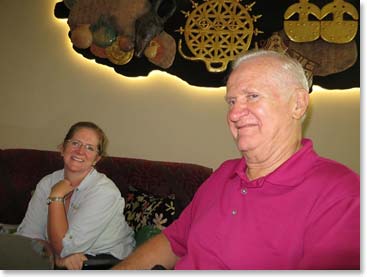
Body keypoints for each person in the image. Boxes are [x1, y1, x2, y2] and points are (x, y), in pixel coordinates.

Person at [112, 50, 360, 270]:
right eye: (231, 101)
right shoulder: (225, 173)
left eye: (252, 96)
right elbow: (173, 241)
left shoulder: (342, 194)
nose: (234, 113)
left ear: (297, 104)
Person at [17, 121, 135, 269]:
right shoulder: (47, 183)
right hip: (62, 258)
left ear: (96, 159)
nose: (80, 151)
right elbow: (28, 238)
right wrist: (56, 259)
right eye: (75, 143)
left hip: (106, 261)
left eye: (89, 148)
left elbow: (66, 249)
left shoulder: (105, 192)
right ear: (62, 148)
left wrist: (56, 196)